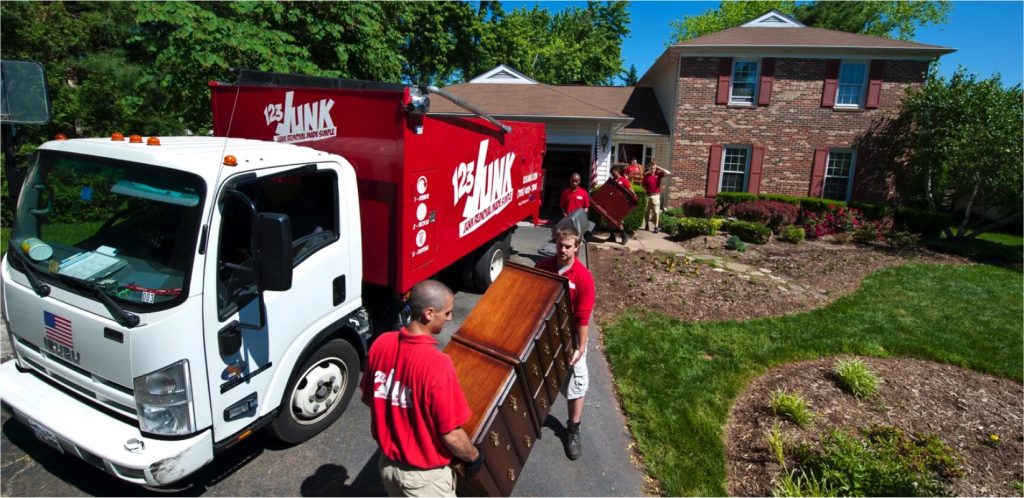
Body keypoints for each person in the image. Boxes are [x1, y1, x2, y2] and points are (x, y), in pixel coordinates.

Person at [360, 280, 483, 497]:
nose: (450, 318)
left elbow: (371, 399)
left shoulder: (381, 343)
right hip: (424, 481)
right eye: (447, 313)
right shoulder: (437, 364)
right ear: (429, 313)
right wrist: (473, 456)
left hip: (387, 467)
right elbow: (451, 434)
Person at [536, 226, 595, 461]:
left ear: (577, 247)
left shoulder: (583, 278)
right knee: (538, 376)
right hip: (545, 333)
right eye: (559, 245)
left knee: (576, 382)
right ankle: (533, 416)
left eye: (567, 246)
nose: (562, 250)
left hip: (571, 338)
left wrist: (580, 348)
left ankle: (572, 429)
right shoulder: (544, 268)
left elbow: (582, 317)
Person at [609, 165, 636, 245]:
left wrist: (634, 196)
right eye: (611, 173)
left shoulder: (623, 180)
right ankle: (612, 236)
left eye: (613, 173)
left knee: (618, 219)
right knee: (609, 219)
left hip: (621, 203)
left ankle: (624, 236)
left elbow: (631, 190)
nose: (612, 175)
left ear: (617, 172)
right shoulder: (612, 180)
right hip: (612, 202)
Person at [642, 161, 670, 233]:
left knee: (656, 212)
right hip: (648, 196)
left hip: (656, 195)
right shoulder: (646, 176)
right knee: (646, 212)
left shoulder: (658, 174)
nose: (653, 170)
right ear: (649, 168)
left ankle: (656, 226)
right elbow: (643, 186)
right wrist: (644, 193)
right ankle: (647, 225)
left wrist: (659, 168)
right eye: (651, 168)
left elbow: (668, 173)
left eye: (654, 168)